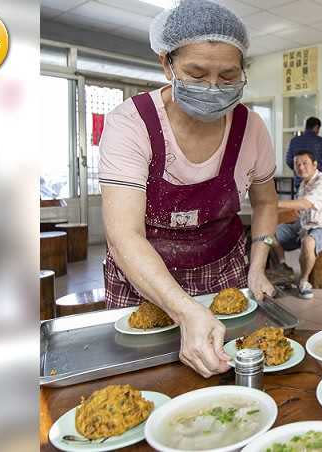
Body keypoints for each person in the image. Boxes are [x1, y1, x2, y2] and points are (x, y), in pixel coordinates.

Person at [98, 0, 278, 378]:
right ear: (167, 64)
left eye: (228, 76)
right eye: (196, 74)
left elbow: (265, 201)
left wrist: (258, 267)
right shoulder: (132, 124)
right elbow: (123, 235)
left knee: (222, 370)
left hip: (221, 271)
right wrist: (184, 309)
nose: (213, 87)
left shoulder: (252, 129)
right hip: (141, 278)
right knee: (143, 378)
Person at [273, 150, 322, 299]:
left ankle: (304, 281)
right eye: (297, 164)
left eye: (304, 163)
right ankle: (282, 267)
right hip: (306, 226)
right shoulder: (303, 184)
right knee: (270, 234)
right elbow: (298, 212)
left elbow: (305, 203)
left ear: (315, 164)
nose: (300, 167)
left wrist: (274, 203)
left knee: (308, 241)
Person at [286, 117, 322, 186]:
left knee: (302, 196)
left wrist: (300, 170)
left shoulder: (294, 141)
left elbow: (289, 161)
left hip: (300, 182)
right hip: (317, 181)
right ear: (316, 127)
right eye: (318, 129)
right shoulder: (321, 141)